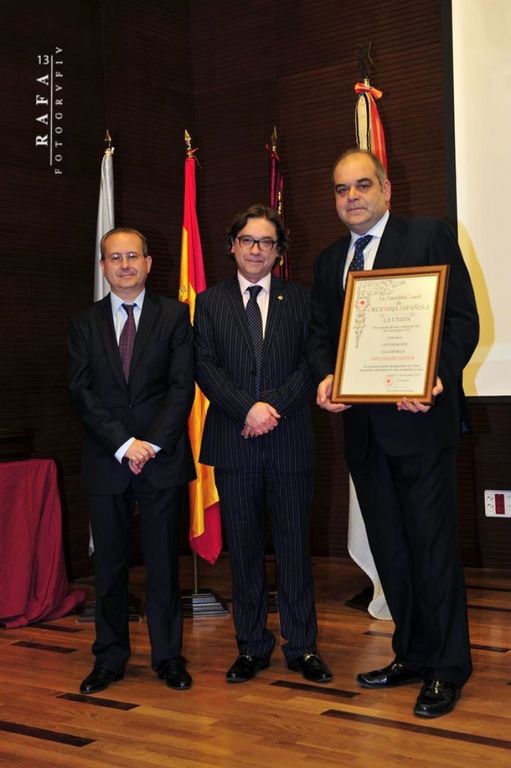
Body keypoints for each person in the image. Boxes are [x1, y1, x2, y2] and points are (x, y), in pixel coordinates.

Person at [306, 149, 479, 717]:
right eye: (341, 189)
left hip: (420, 422)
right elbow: (321, 337)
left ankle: (447, 668)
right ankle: (413, 653)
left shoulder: (428, 236)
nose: (351, 197)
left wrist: (435, 375)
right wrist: (326, 376)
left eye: (362, 185)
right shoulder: (330, 262)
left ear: (386, 189)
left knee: (432, 550)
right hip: (364, 432)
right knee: (392, 552)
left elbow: (462, 321)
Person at [194, 204, 331, 684]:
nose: (256, 250)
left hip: (289, 440)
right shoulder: (208, 303)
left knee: (294, 548)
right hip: (234, 442)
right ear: (232, 246)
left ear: (278, 251)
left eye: (266, 242)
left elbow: (313, 363)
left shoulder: (302, 300)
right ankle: (251, 645)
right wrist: (246, 409)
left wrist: (270, 408)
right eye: (247, 240)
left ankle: (303, 646)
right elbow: (205, 366)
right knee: (245, 550)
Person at [68, 227, 196, 694]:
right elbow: (81, 392)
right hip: (108, 459)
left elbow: (182, 387)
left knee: (163, 565)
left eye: (132, 256)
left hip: (162, 459)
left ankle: (168, 658)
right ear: (103, 266)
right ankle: (109, 658)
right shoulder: (83, 322)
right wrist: (124, 444)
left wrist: (151, 444)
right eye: (115, 258)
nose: (124, 265)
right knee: (110, 568)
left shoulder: (175, 315)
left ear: (148, 262)